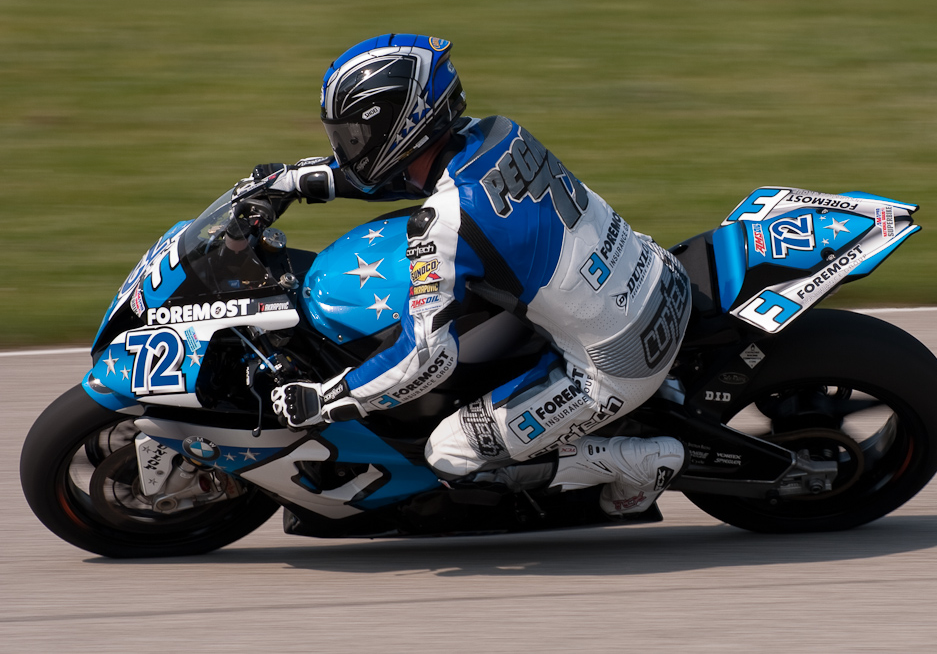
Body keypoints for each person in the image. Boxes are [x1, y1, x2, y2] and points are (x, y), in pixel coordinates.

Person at [244, 34, 692, 518]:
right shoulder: (497, 133)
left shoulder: (446, 222)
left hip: (617, 362)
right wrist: (298, 180)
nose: (345, 148)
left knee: (449, 454)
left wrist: (324, 400)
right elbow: (407, 175)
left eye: (353, 137)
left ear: (400, 127)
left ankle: (637, 462)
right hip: (657, 274)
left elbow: (426, 359)